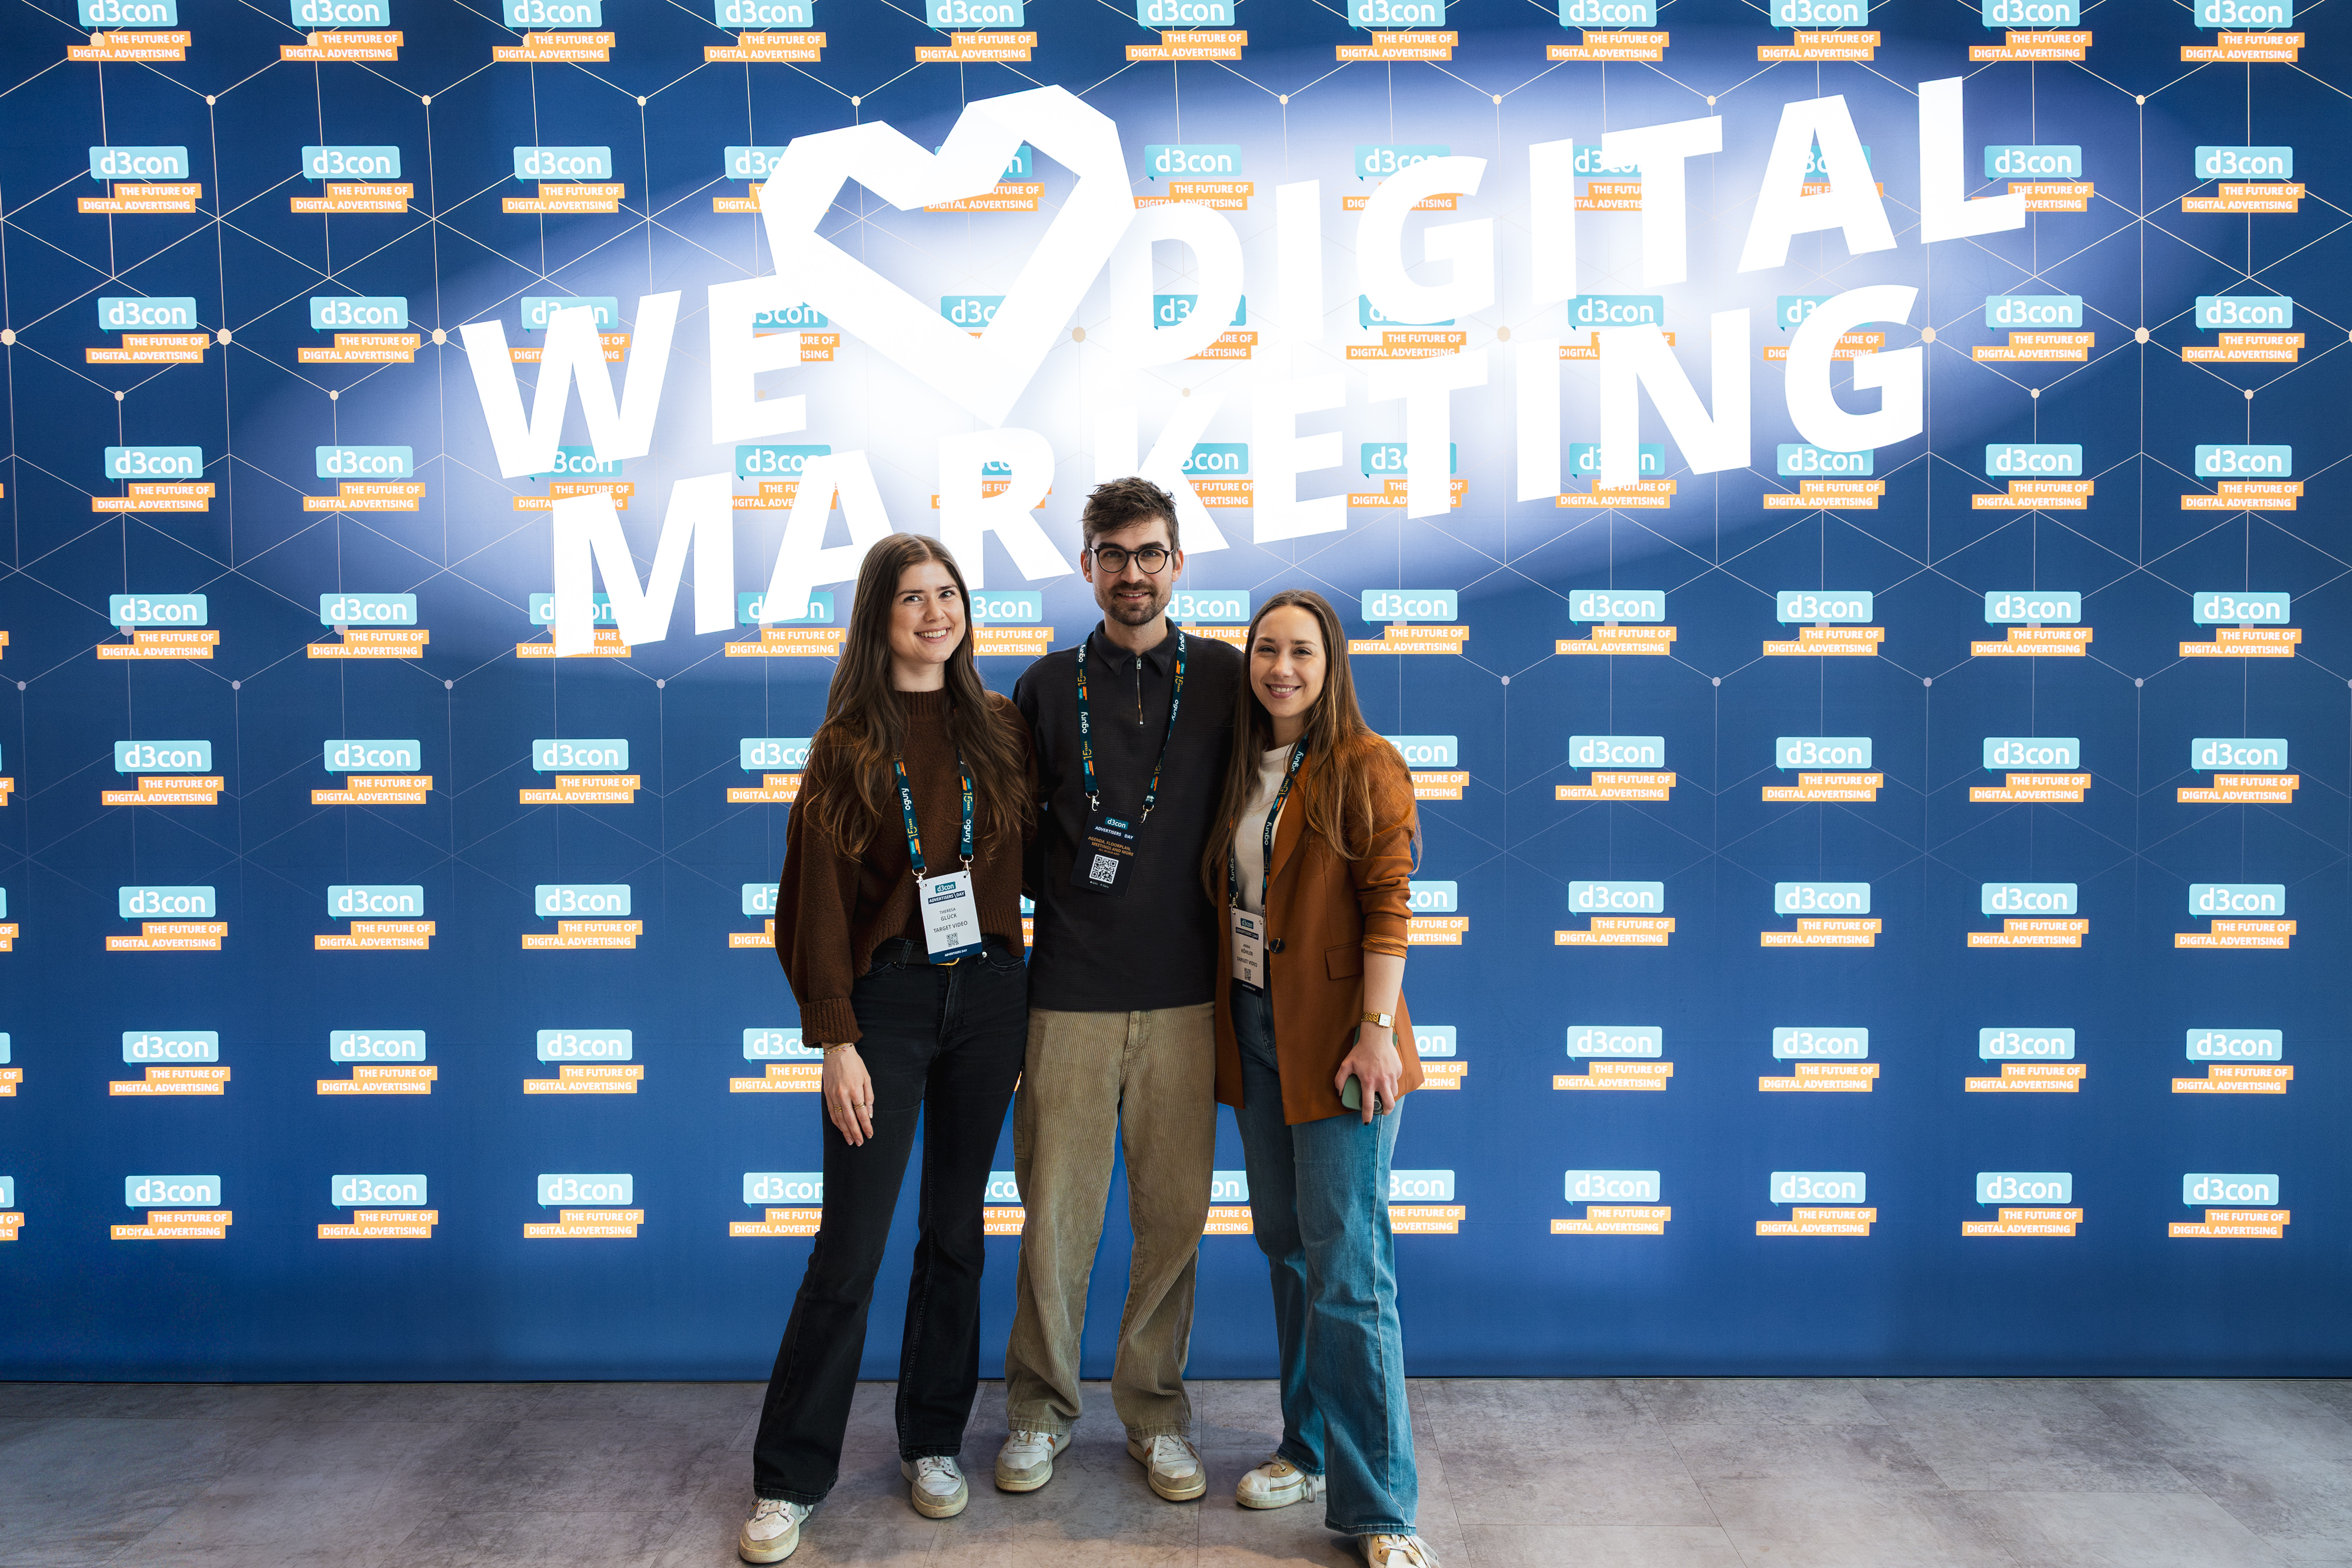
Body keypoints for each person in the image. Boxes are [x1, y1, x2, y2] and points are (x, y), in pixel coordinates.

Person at [739, 534, 1035, 1564]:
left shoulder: (1001, 727)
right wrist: (837, 1038)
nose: (936, 612)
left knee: (956, 1234)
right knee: (851, 1249)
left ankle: (933, 1442)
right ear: (879, 617)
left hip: (991, 997)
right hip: (891, 1005)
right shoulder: (847, 741)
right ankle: (789, 1479)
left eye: (948, 593)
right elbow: (812, 904)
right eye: (913, 597)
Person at [997, 476, 1245, 1503]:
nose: (1132, 572)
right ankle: (1037, 1411)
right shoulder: (1044, 687)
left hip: (1190, 996)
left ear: (1177, 563)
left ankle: (1155, 1415)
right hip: (1069, 995)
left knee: (1175, 1219)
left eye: (1150, 554)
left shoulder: (1227, 677)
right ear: (1087, 566)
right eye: (1113, 554)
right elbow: (1011, 841)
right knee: (1054, 1217)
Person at [1203, 589, 1437, 1568]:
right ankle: (1305, 1448)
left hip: (1344, 1041)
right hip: (1258, 1031)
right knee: (1289, 1251)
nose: (1281, 668)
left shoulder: (1365, 762)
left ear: (1331, 663)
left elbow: (1389, 905)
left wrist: (1377, 1033)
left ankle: (1383, 1510)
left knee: (1350, 1270)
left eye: (1302, 651)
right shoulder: (1239, 765)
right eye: (1266, 649)